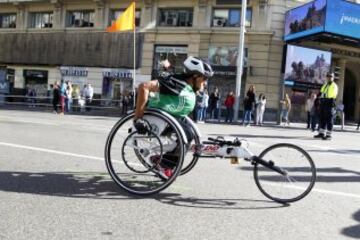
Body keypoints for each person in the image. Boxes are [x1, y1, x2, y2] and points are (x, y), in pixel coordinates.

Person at [133, 56, 214, 178]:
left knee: (189, 133)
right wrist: (138, 119)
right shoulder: (176, 83)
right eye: (204, 79)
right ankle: (163, 164)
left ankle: (162, 161)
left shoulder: (186, 86)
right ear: (195, 76)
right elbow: (144, 86)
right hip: (160, 119)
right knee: (187, 134)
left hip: (172, 118)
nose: (205, 83)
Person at [314, 72, 338, 140]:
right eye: (328, 76)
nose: (329, 77)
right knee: (322, 119)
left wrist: (322, 96)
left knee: (329, 119)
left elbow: (331, 95)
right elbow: (321, 92)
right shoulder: (325, 85)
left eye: (331, 76)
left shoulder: (334, 85)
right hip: (323, 102)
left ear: (333, 78)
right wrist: (318, 97)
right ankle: (321, 133)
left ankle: (329, 135)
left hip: (330, 102)